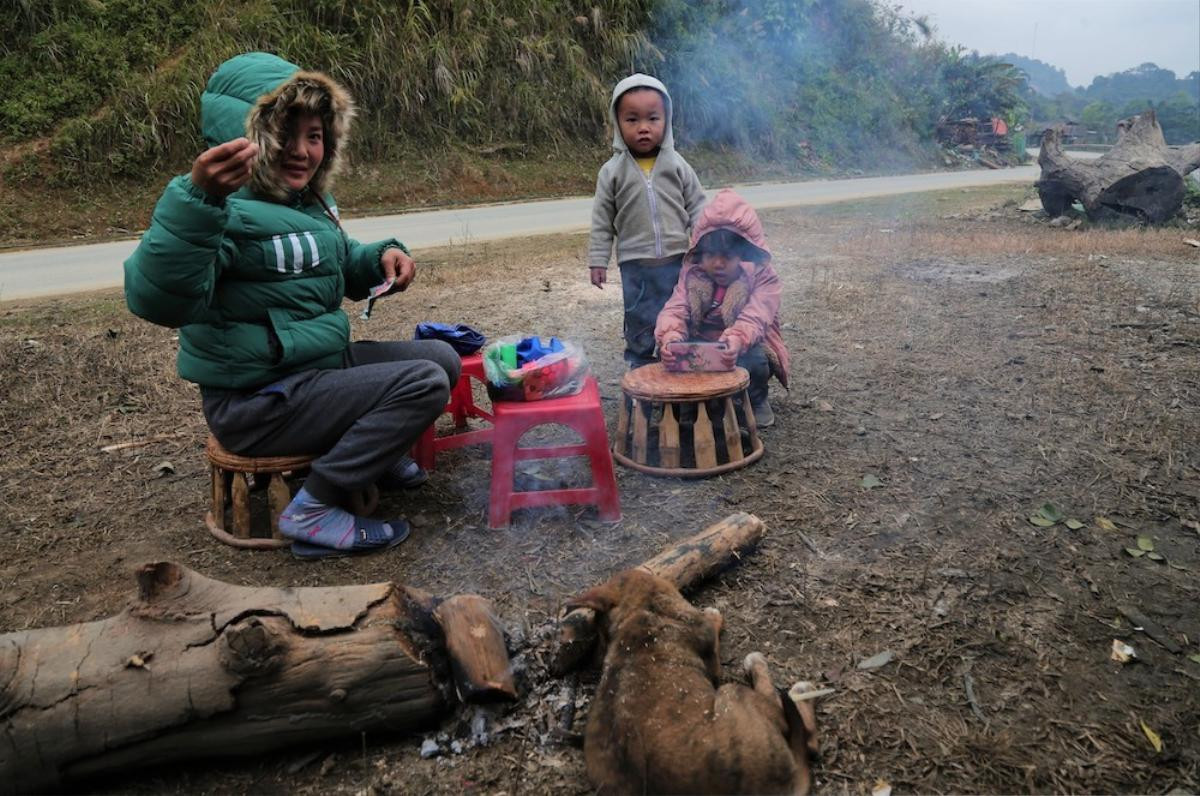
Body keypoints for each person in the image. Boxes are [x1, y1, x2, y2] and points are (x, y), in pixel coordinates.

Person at [124, 52, 460, 559]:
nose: (302, 151)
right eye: (286, 134)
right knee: (424, 383)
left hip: (312, 372)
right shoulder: (220, 211)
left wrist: (382, 257)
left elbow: (343, 264)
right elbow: (157, 298)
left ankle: (370, 454)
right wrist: (196, 202)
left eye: (316, 135)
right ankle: (315, 507)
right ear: (247, 136)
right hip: (257, 400)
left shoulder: (308, 207)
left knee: (441, 358)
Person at [587, 73, 706, 369]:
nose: (643, 128)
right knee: (640, 319)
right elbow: (602, 220)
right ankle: (641, 368)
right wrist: (597, 260)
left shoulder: (678, 164)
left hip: (678, 260)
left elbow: (698, 206)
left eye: (653, 119)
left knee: (681, 315)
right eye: (632, 120)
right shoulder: (611, 171)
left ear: (666, 121)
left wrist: (706, 245)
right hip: (635, 265)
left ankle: (681, 366)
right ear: (617, 124)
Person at [655, 189, 789, 428]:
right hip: (702, 343)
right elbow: (675, 308)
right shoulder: (693, 275)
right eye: (710, 256)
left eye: (727, 256)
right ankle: (691, 402)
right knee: (668, 352)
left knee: (756, 360)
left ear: (745, 253)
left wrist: (737, 339)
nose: (717, 264)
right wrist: (671, 336)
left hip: (743, 343)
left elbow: (755, 318)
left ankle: (756, 399)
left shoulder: (762, 277)